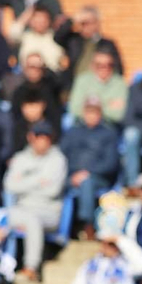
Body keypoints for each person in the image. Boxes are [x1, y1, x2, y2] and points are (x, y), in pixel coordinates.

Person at [4, 120, 68, 280]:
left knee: (32, 220)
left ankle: (30, 268)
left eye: (46, 136)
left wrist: (24, 181)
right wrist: (38, 180)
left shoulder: (58, 159)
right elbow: (9, 185)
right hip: (21, 208)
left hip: (48, 211)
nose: (42, 140)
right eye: (38, 136)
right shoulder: (20, 157)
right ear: (31, 137)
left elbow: (52, 191)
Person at [59, 97, 118, 232]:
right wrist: (72, 175)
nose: (91, 115)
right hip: (72, 176)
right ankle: (59, 228)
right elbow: (62, 156)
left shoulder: (108, 134)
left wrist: (88, 172)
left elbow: (111, 163)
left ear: (100, 114)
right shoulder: (72, 132)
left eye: (95, 112)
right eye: (88, 112)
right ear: (84, 113)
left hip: (98, 178)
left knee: (87, 182)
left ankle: (87, 225)